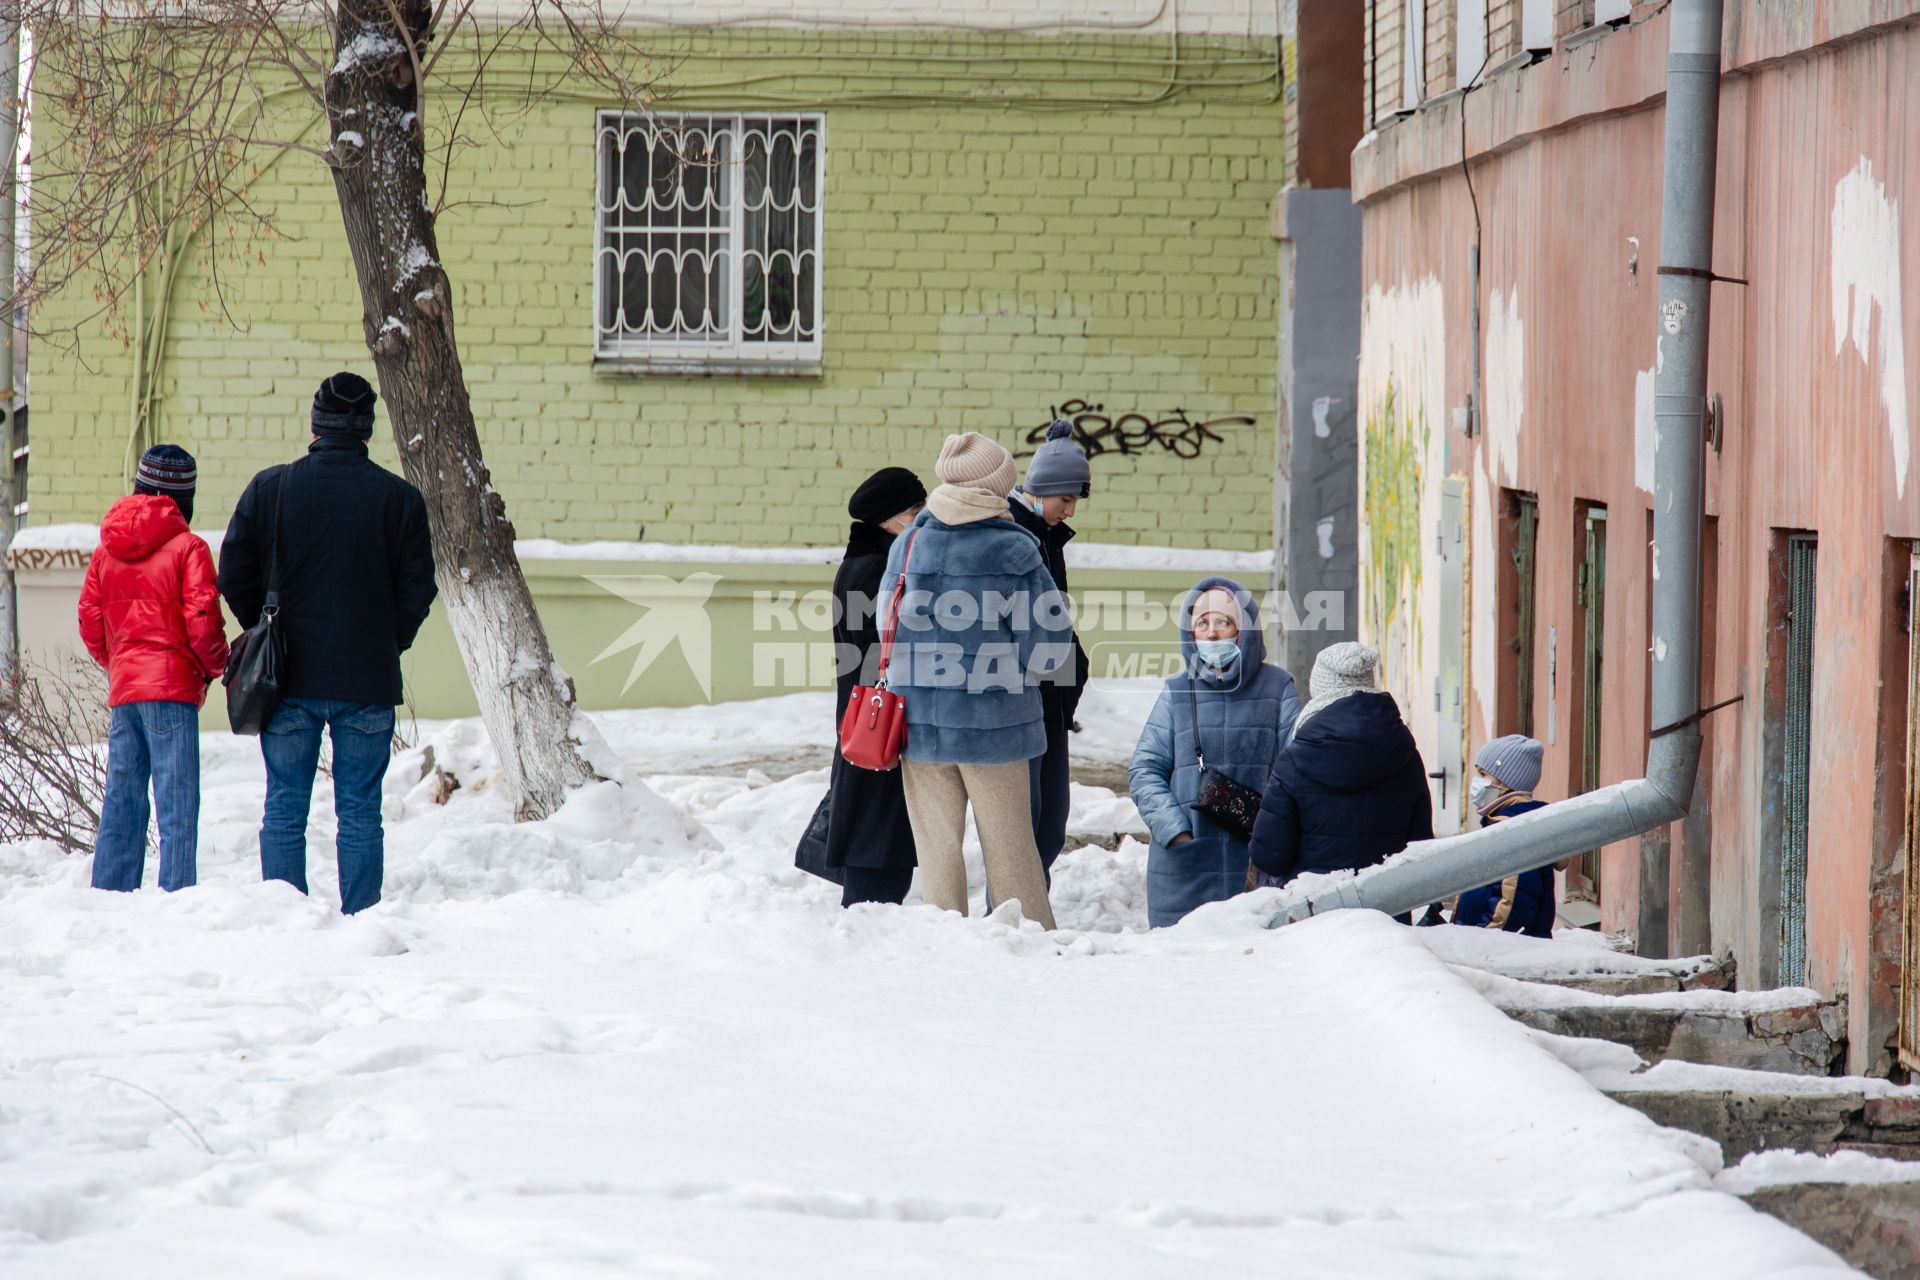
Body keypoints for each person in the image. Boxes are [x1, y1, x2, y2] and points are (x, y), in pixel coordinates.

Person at [218, 373, 437, 915]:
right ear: (367, 428)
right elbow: (419, 588)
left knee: (286, 806)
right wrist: (390, 641)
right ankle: (363, 919)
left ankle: (287, 917)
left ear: (315, 424)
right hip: (368, 681)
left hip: (286, 681)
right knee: (361, 810)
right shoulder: (399, 499)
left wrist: (266, 630)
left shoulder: (272, 488)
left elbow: (234, 570)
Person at [878, 432, 1072, 929]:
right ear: (997, 485)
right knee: (1013, 860)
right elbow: (1050, 650)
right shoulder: (1013, 549)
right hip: (997, 729)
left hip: (918, 726)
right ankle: (1025, 951)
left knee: (938, 859)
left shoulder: (908, 542)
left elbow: (886, 628)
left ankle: (945, 955)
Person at [78, 445, 230, 893]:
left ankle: (109, 892)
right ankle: (177, 895)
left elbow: (89, 619)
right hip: (173, 691)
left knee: (122, 796)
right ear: (184, 498)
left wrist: (122, 665)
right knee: (177, 801)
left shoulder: (107, 549)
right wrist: (215, 666)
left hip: (126, 691)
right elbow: (203, 622)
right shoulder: (190, 548)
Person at [1128, 579, 1299, 927]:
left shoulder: (1277, 688)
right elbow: (1144, 770)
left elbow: (1298, 770)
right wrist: (1176, 830)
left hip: (1255, 870)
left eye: (1223, 622)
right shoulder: (1177, 691)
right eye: (1202, 623)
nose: (1212, 633)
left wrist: (1274, 833)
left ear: (1244, 629)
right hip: (1184, 870)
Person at [1248, 642, 1433, 898]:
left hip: (1314, 911)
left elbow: (1269, 857)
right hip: (1388, 915)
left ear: (1320, 687)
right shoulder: (1406, 753)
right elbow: (1421, 849)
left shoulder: (1295, 758)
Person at [821, 466, 926, 907]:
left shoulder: (872, 560)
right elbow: (876, 647)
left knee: (878, 823)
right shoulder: (875, 567)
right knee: (876, 828)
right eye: (914, 511)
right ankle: (865, 920)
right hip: (877, 714)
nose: (921, 519)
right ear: (889, 518)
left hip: (869, 711)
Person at [1008, 418, 1091, 888]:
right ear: (1041, 491)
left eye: (1076, 500)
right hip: (1024, 703)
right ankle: (1013, 917)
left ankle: (1027, 913)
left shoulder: (1046, 535)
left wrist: (1072, 670)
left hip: (1052, 701)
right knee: (1027, 825)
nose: (1071, 510)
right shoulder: (1016, 537)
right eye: (1066, 499)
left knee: (1050, 824)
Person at [1452, 734, 1556, 937]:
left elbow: (1511, 906)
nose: (1478, 781)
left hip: (1499, 954)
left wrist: (1479, 941)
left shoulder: (1516, 833)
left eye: (1484, 774)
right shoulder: (1501, 825)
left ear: (1506, 782)